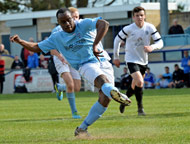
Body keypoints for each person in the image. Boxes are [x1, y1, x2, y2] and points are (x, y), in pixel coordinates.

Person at [10, 8, 131, 137]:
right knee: (103, 82)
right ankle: (117, 94)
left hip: (104, 61)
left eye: (69, 20)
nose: (67, 24)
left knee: (105, 98)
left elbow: (104, 24)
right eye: (63, 22)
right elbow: (36, 47)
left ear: (73, 18)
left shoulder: (83, 24)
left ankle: (82, 129)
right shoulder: (56, 37)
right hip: (85, 64)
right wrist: (20, 42)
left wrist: (95, 45)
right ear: (58, 23)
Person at [113, 6, 163, 116]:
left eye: (141, 15)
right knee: (140, 82)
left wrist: (152, 47)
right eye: (137, 16)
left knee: (134, 86)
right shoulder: (128, 29)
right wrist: (116, 57)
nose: (139, 17)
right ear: (133, 17)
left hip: (143, 61)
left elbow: (160, 42)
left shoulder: (149, 27)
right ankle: (140, 109)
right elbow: (117, 40)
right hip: (131, 59)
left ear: (144, 16)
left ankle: (124, 100)